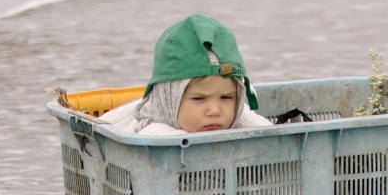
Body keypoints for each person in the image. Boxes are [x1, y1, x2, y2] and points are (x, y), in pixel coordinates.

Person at [101, 13, 272, 136]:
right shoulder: (155, 136)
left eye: (226, 97)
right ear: (169, 100)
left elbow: (272, 137)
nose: (214, 111)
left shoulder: (241, 120)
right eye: (199, 99)